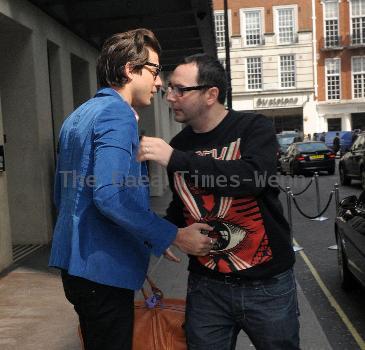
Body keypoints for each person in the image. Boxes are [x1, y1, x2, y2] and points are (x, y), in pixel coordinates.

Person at [49, 29, 213, 350]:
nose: (159, 82)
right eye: (153, 71)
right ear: (129, 69)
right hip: (102, 272)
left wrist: (148, 233)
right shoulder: (118, 114)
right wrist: (172, 234)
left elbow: (64, 192)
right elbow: (109, 195)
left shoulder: (77, 116)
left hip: (77, 268)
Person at [138, 54, 299, 349]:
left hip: (268, 285)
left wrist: (176, 159)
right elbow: (182, 205)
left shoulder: (253, 128)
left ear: (211, 94)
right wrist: (162, 235)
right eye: (168, 89)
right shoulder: (180, 146)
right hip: (206, 287)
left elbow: (251, 179)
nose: (169, 97)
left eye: (180, 90)